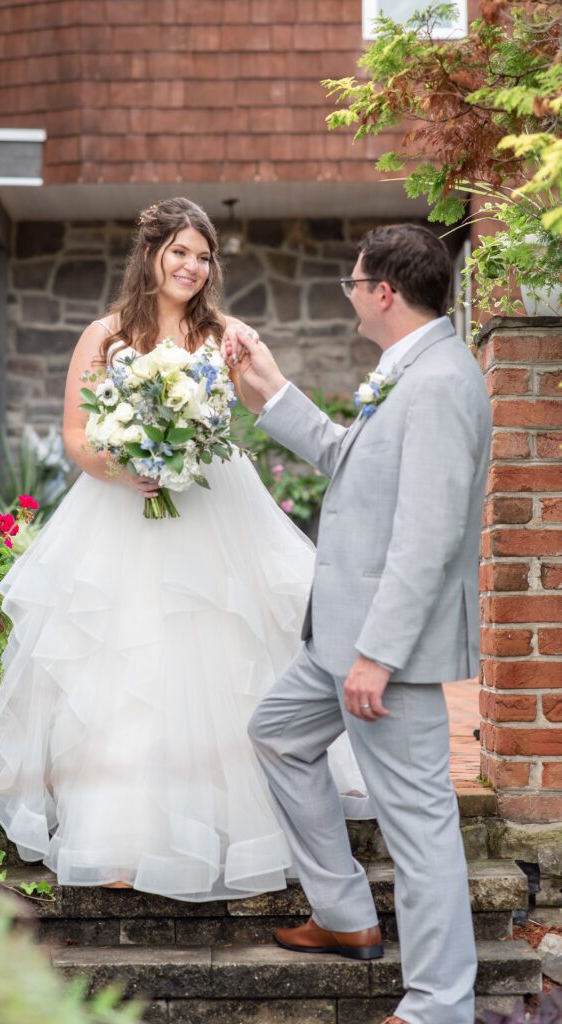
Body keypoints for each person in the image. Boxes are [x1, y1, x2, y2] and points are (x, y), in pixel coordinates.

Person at [0, 197, 371, 902]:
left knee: (222, 661)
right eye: (181, 252)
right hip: (122, 513)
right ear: (151, 254)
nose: (193, 266)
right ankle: (123, 839)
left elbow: (263, 402)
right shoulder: (103, 335)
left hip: (213, 508)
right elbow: (77, 437)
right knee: (128, 671)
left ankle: (223, 836)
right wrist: (125, 466)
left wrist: (233, 394)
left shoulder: (226, 334)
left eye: (204, 255)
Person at [223, 223, 490, 1024]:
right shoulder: (405, 368)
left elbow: (429, 536)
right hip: (333, 640)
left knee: (420, 826)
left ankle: (440, 1004)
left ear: (384, 293)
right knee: (276, 733)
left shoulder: (442, 381)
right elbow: (350, 462)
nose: (349, 294)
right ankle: (347, 916)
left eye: (352, 282)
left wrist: (377, 655)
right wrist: (269, 391)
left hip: (382, 652)